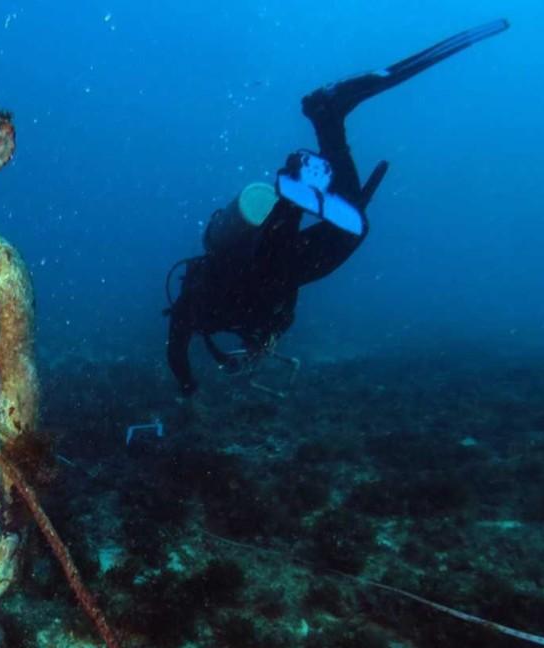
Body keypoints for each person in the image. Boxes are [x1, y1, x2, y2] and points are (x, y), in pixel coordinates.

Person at [165, 19, 509, 395]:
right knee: (351, 228)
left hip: (265, 264)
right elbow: (272, 314)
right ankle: (327, 117)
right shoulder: (248, 318)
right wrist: (259, 342)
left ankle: (293, 195)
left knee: (278, 264)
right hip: (285, 266)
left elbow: (176, 351)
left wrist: (187, 386)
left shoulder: (194, 305)